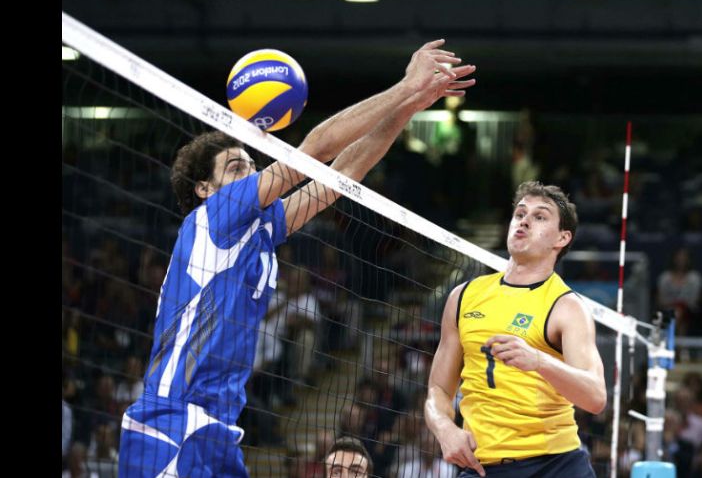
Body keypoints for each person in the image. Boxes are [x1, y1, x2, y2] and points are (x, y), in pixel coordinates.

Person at [117, 39, 476, 477]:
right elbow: (316, 148)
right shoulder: (211, 218)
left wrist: (409, 106)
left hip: (219, 428)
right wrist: (404, 85)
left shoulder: (262, 232)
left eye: (251, 166)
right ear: (204, 189)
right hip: (170, 422)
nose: (251, 174)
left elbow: (341, 174)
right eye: (235, 168)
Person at [424, 181, 607, 477]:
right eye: (520, 213)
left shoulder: (567, 307)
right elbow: (438, 390)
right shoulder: (463, 296)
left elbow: (596, 396)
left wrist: (539, 361)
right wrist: (445, 428)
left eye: (540, 216)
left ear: (562, 238)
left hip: (555, 464)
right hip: (483, 466)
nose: (524, 220)